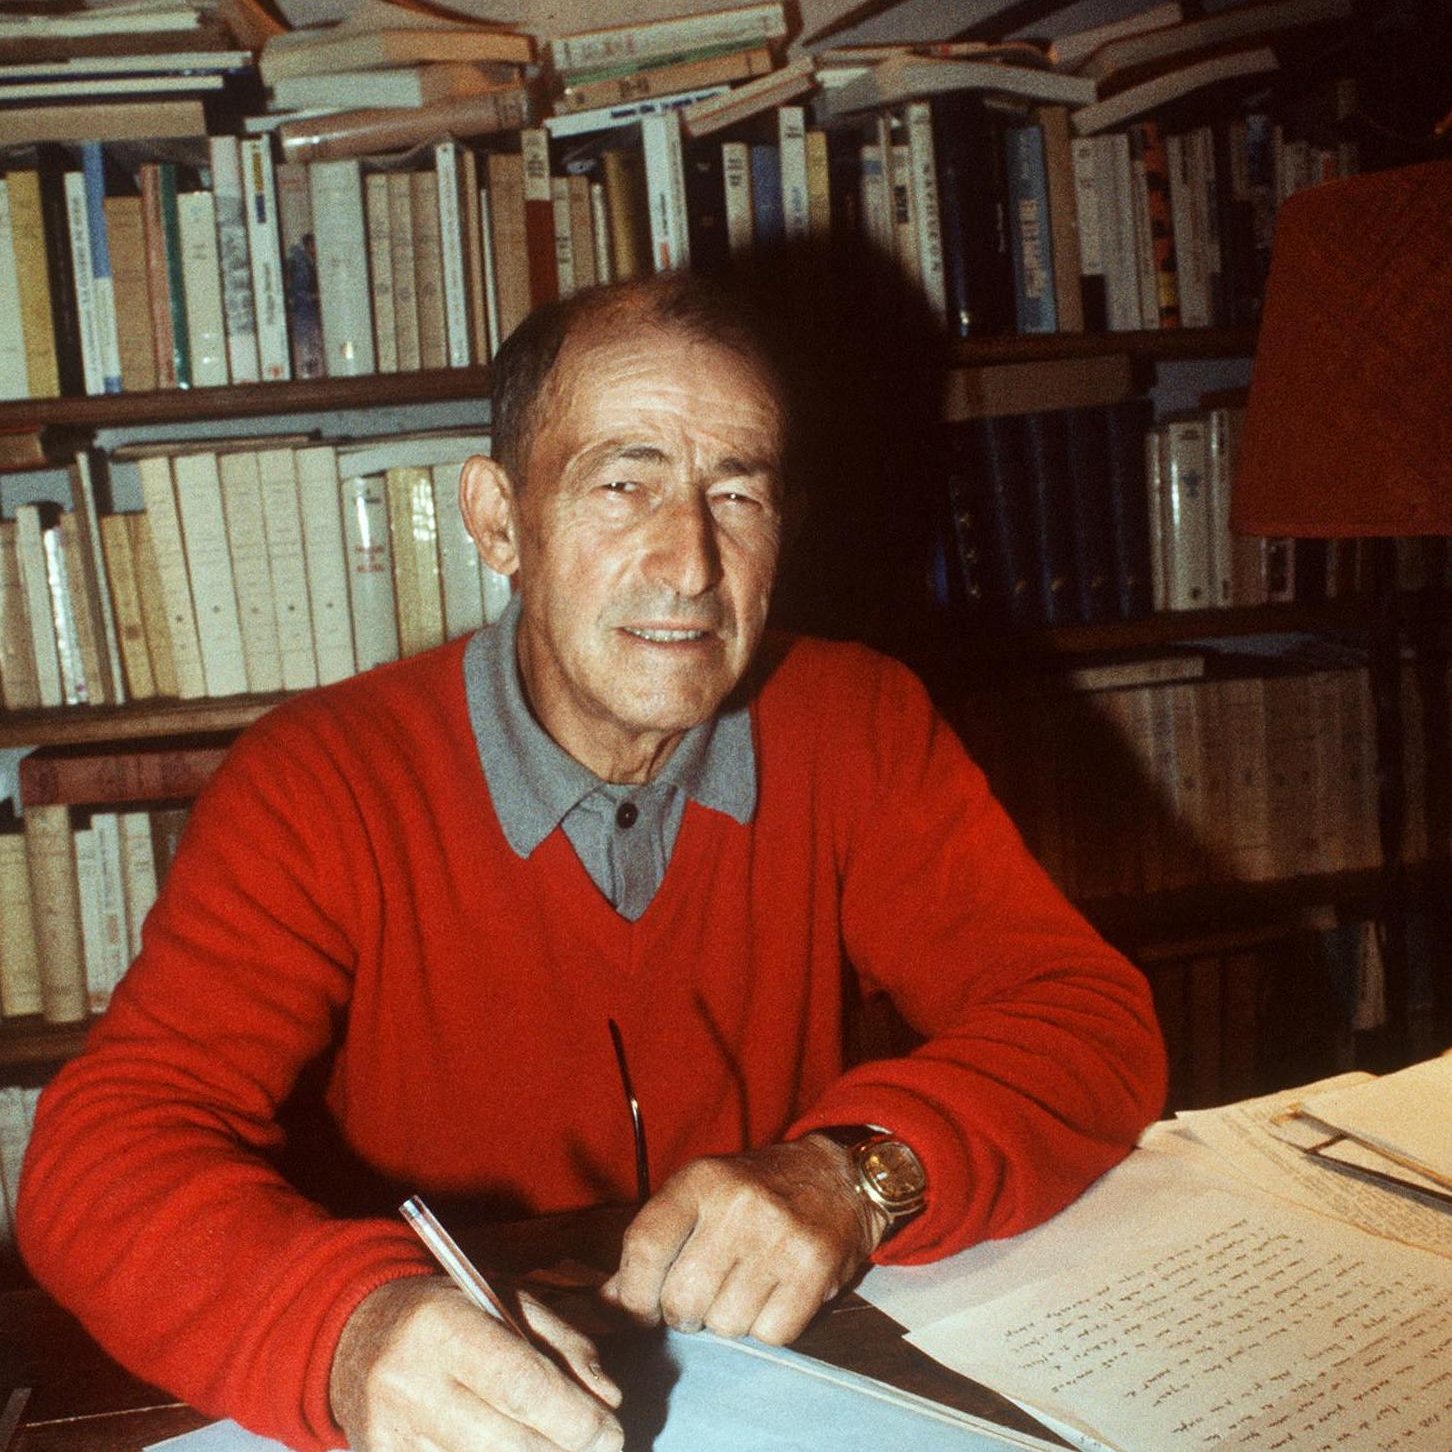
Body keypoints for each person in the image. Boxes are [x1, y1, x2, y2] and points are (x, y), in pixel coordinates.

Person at [17, 274, 1166, 1452]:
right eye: (624, 485)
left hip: (787, 1388)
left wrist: (853, 1175)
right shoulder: (319, 780)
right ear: (500, 522)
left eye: (738, 494)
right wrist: (345, 1333)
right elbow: (103, 1148)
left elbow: (1086, 1018)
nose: (690, 564)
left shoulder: (859, 721)